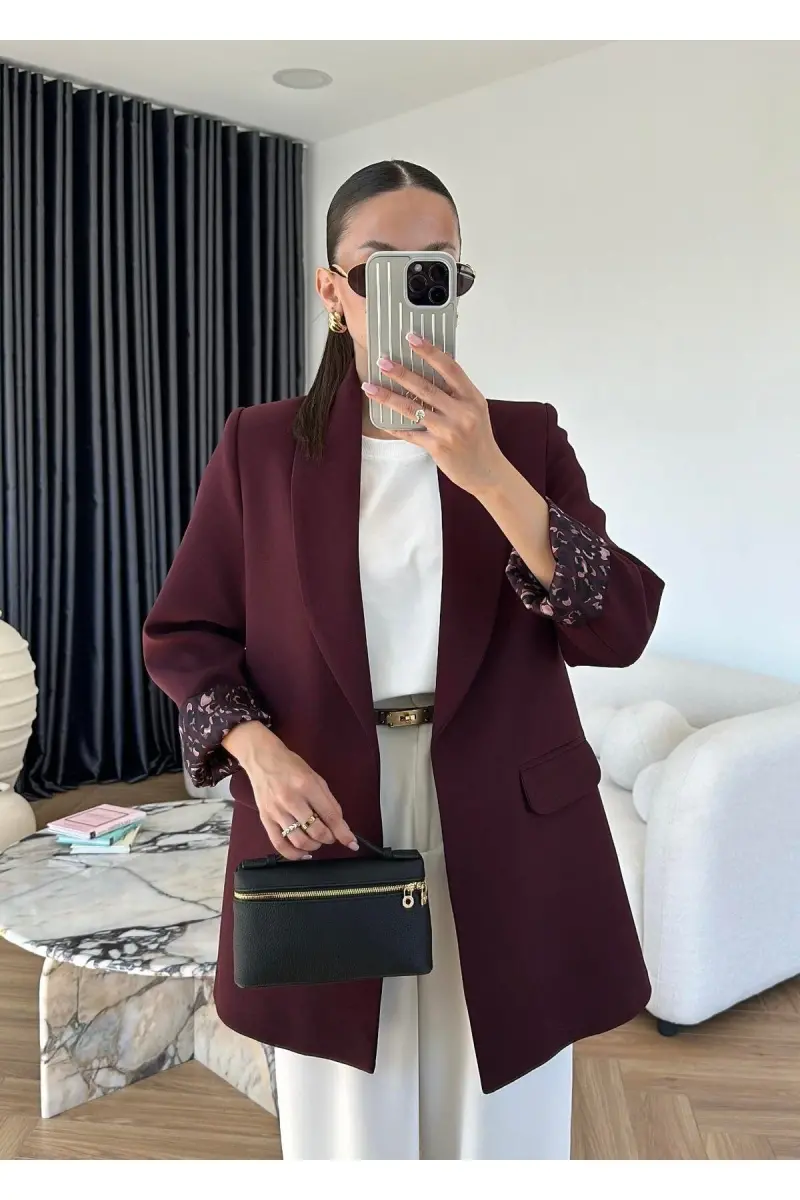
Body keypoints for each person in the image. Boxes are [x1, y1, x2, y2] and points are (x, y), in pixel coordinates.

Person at [143, 160, 664, 1161]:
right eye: (379, 265)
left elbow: (619, 626)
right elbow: (186, 633)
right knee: (353, 1119)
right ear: (332, 292)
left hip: (507, 818)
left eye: (436, 268)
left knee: (500, 1116)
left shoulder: (523, 440)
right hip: (324, 813)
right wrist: (257, 753)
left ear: (456, 287)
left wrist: (488, 477)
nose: (412, 286)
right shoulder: (260, 448)